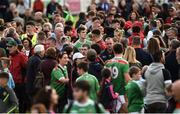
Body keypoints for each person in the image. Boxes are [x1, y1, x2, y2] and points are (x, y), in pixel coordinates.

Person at [106, 43, 131, 113]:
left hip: (111, 92)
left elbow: (107, 79)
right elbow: (127, 79)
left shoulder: (108, 62)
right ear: (123, 50)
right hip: (121, 92)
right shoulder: (125, 63)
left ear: (113, 51)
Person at [7, 40, 28, 112]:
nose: (8, 48)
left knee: (21, 103)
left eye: (10, 46)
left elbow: (27, 68)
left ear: (16, 47)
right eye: (7, 46)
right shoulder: (10, 56)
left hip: (20, 84)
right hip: (12, 84)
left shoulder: (21, 56)